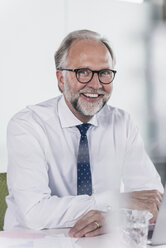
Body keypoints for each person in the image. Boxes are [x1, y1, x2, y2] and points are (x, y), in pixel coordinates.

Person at [4, 30, 163, 238]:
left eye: (104, 72)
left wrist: (111, 215)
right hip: (34, 242)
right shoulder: (27, 125)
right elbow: (34, 213)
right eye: (83, 72)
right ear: (61, 79)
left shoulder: (122, 122)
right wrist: (116, 204)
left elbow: (152, 200)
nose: (96, 84)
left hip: (100, 241)